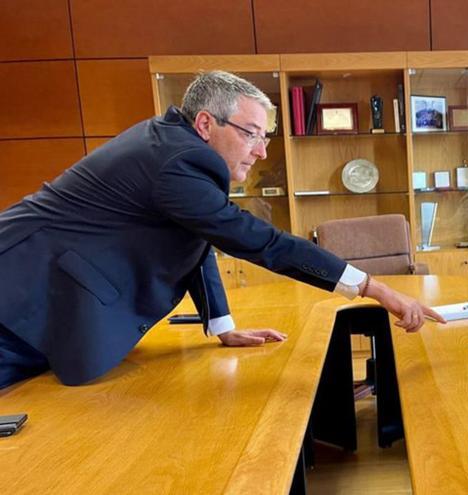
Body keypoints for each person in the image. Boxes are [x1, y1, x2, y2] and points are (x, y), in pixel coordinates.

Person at [0, 71, 444, 389]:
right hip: (18, 293)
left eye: (266, 136)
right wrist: (373, 288)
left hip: (34, 296)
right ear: (206, 124)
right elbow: (259, 241)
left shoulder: (173, 147)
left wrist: (222, 325)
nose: (261, 151)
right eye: (251, 133)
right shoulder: (178, 162)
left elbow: (197, 238)